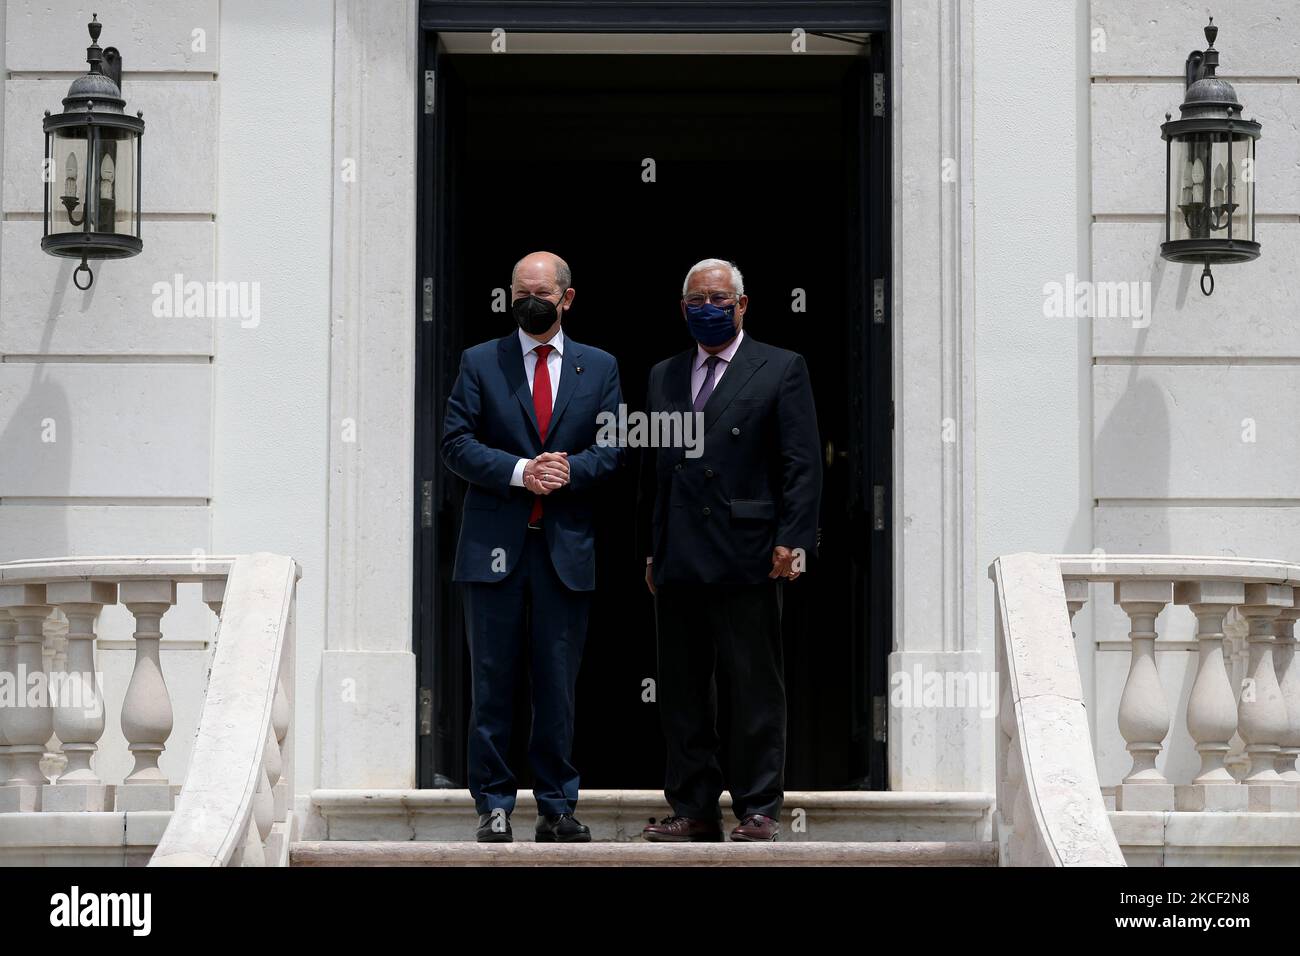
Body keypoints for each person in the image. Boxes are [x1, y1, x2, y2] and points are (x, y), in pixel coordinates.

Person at [637, 257, 822, 842]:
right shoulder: (663, 374)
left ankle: (759, 807)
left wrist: (793, 538)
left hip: (749, 550)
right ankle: (693, 808)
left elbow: (801, 463)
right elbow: (654, 471)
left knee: (752, 686)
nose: (707, 308)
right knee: (684, 691)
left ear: (742, 305)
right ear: (682, 307)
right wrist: (650, 548)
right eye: (696, 300)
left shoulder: (781, 367)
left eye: (719, 299)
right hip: (681, 556)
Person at [442, 251, 623, 843]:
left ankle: (556, 805)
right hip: (493, 550)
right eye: (519, 291)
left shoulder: (599, 367)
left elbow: (614, 446)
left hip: (563, 552)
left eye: (540, 292)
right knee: (491, 683)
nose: (528, 301)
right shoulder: (480, 361)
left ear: (567, 298)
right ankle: (493, 804)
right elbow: (456, 442)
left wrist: (568, 472)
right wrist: (523, 470)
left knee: (556, 686)